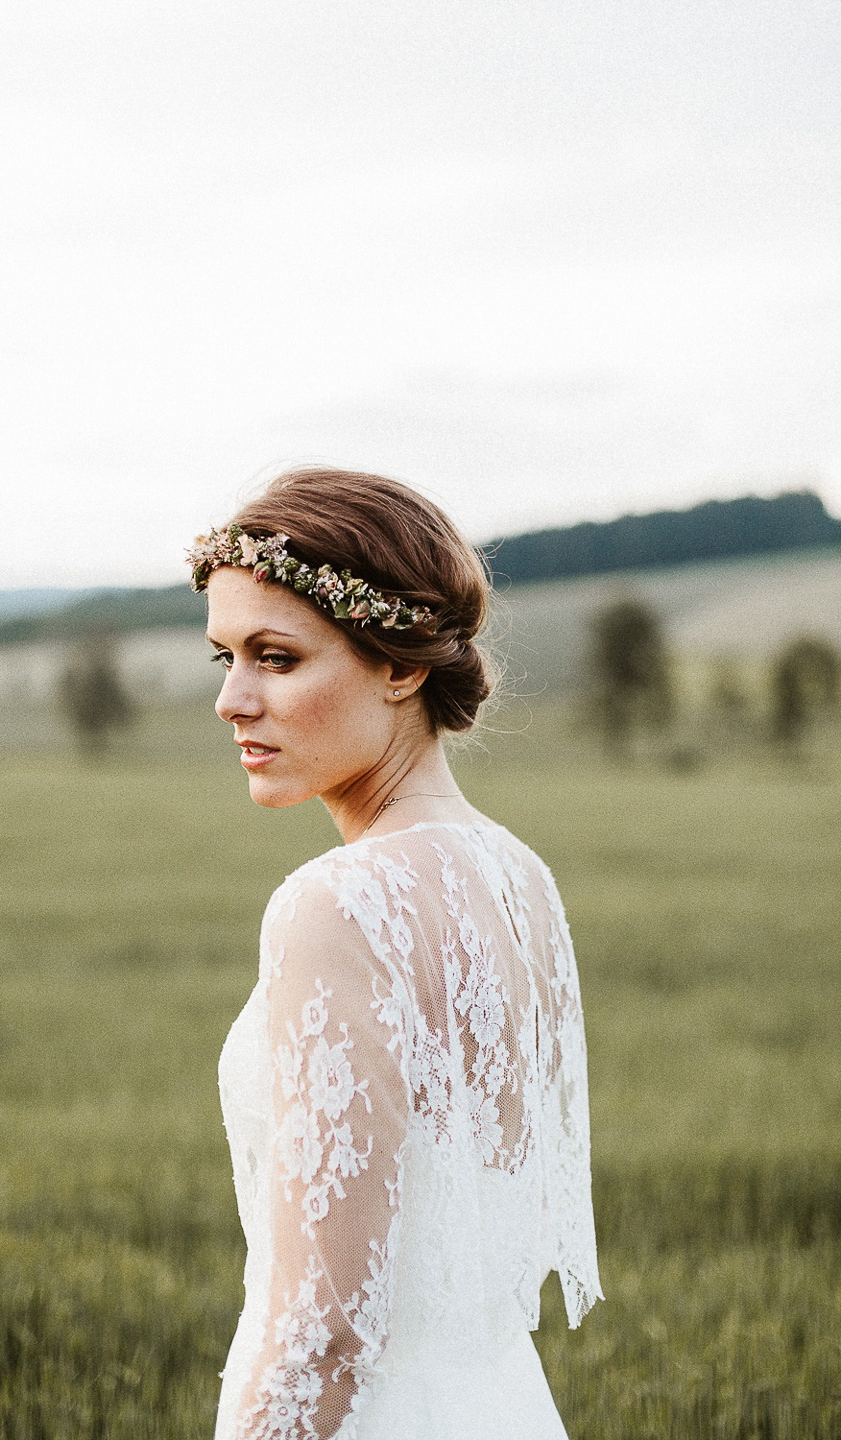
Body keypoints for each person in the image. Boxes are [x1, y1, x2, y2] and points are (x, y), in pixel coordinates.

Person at [190, 467, 603, 1440]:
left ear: (401, 665)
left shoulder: (333, 905)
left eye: (277, 658)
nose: (233, 701)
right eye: (225, 660)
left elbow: (326, 1334)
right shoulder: (520, 878)